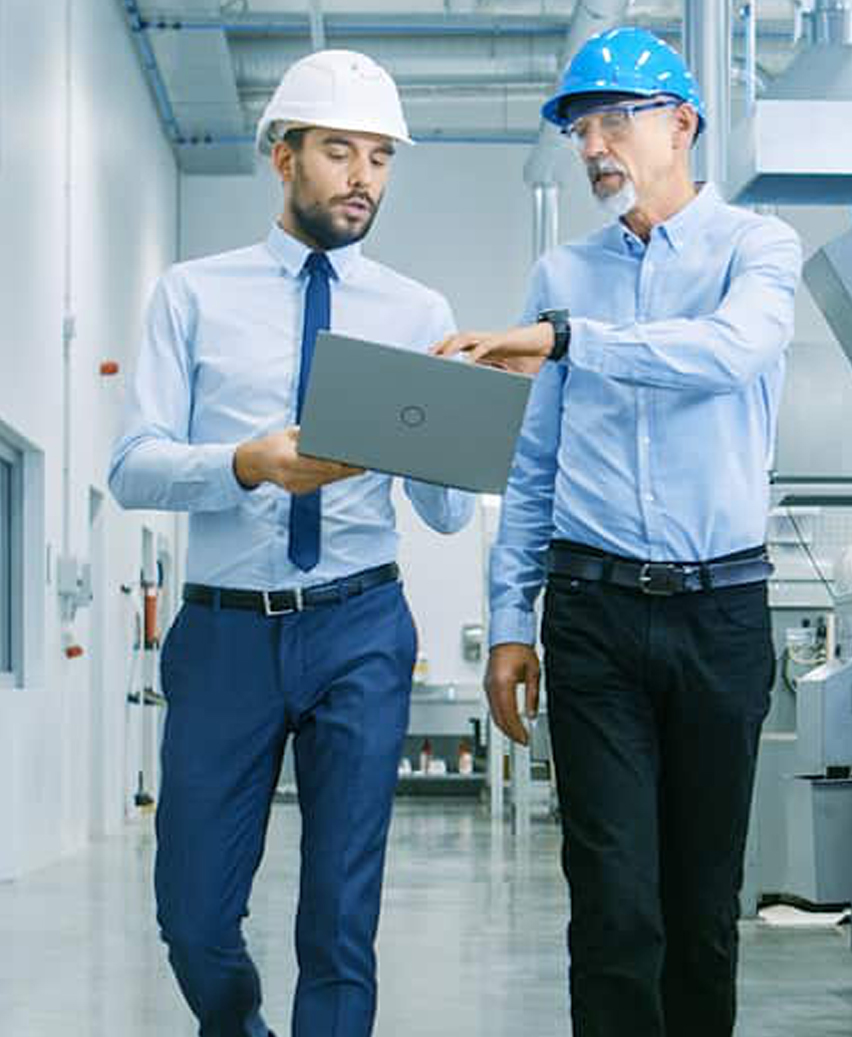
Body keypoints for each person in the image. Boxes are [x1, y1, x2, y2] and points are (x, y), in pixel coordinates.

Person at [433, 27, 802, 1037]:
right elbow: (533, 461)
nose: (594, 143)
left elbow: (727, 353)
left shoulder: (755, 250)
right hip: (592, 617)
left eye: (615, 118)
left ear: (682, 124)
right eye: (580, 126)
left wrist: (565, 339)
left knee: (700, 908)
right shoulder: (563, 270)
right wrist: (511, 621)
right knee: (613, 907)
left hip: (721, 613)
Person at [108, 48, 475, 1037]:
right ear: (282, 156)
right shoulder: (192, 295)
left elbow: (444, 513)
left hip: (360, 623)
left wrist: (463, 425)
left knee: (340, 919)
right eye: (339, 152)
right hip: (226, 633)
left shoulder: (417, 314)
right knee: (192, 916)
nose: (363, 178)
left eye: (380, 159)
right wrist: (248, 464)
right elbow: (132, 463)